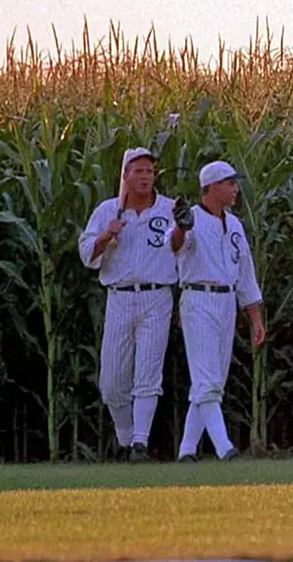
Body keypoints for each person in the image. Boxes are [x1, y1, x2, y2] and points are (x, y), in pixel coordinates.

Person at [78, 147, 177, 463]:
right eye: (139, 171)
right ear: (125, 176)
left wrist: (185, 227)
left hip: (156, 296)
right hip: (119, 297)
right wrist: (107, 236)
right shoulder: (107, 211)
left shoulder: (169, 209)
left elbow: (184, 248)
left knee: (148, 372)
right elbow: (87, 255)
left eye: (150, 171)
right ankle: (125, 436)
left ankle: (139, 444)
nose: (146, 177)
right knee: (111, 382)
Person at [166, 160, 266, 462]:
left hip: (227, 301)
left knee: (212, 381)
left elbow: (245, 273)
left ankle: (186, 450)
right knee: (207, 378)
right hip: (199, 298)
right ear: (212, 187)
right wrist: (181, 229)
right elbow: (175, 246)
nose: (235, 189)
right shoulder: (192, 219)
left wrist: (255, 317)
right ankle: (225, 448)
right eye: (229, 183)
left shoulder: (234, 224)